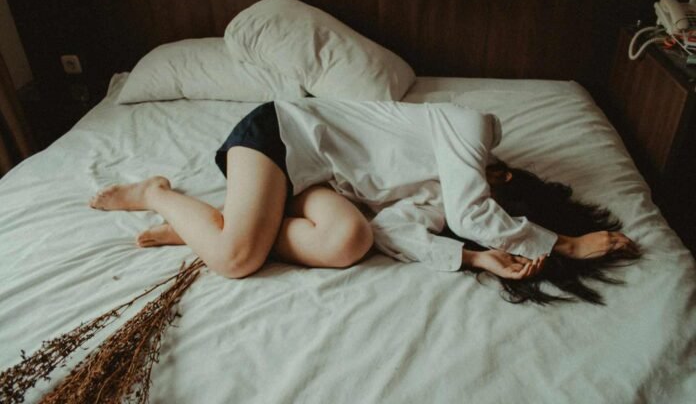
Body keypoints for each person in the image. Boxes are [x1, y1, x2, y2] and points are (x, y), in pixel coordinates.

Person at [89, 99, 638, 295]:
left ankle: (207, 225)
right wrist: (562, 245)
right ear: (504, 177)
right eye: (501, 208)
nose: (480, 211)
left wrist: (475, 257)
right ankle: (158, 194)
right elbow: (477, 211)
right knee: (237, 259)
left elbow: (391, 231)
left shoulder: (444, 200)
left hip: (319, 183)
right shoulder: (468, 128)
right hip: (283, 135)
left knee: (351, 237)